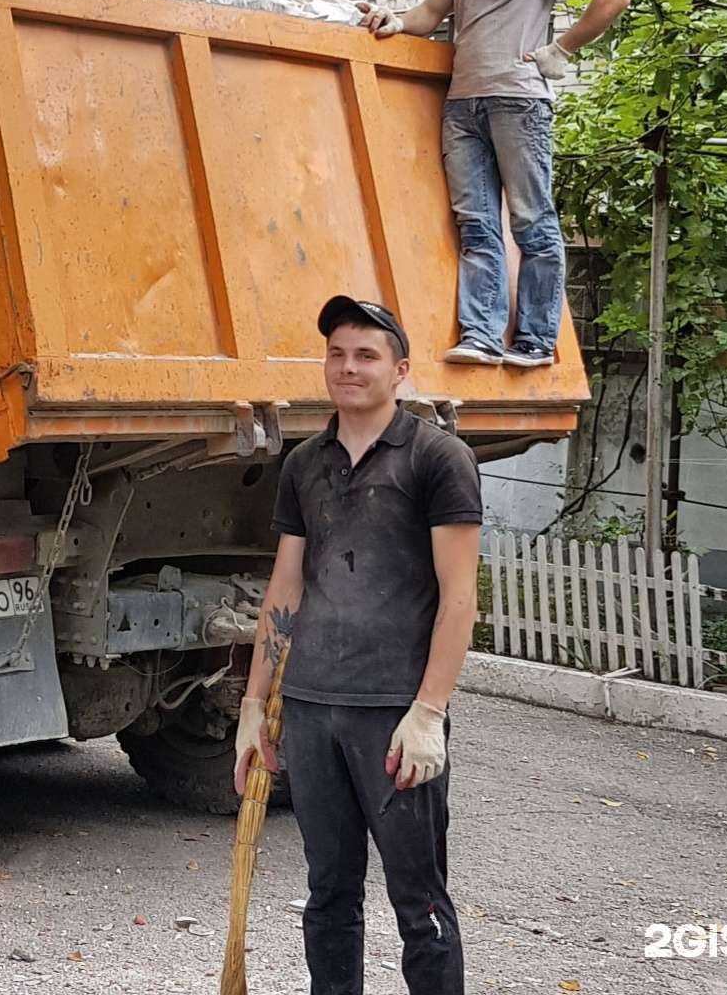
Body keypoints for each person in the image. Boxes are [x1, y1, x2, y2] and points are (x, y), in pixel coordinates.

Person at [233, 295, 483, 994]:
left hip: (394, 715)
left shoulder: (438, 458)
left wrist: (430, 712)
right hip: (312, 709)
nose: (349, 367)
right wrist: (255, 705)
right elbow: (285, 588)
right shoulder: (304, 464)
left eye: (367, 355)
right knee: (329, 897)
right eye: (338, 353)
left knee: (420, 903)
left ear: (399, 370)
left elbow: (459, 597)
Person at [358, 0, 631, 368]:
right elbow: (430, 15)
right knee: (477, 224)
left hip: (518, 101)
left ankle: (533, 340)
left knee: (531, 221)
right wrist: (392, 21)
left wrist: (561, 49)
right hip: (463, 105)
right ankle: (481, 336)